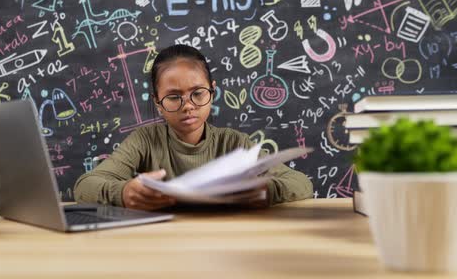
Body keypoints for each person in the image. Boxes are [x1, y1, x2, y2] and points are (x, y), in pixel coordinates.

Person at [74, 44, 313, 210]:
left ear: (213, 91)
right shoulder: (145, 140)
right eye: (173, 97)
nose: (188, 106)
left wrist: (266, 190)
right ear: (158, 103)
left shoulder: (233, 143)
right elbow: (85, 186)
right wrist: (124, 193)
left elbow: (301, 183)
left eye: (198, 94)